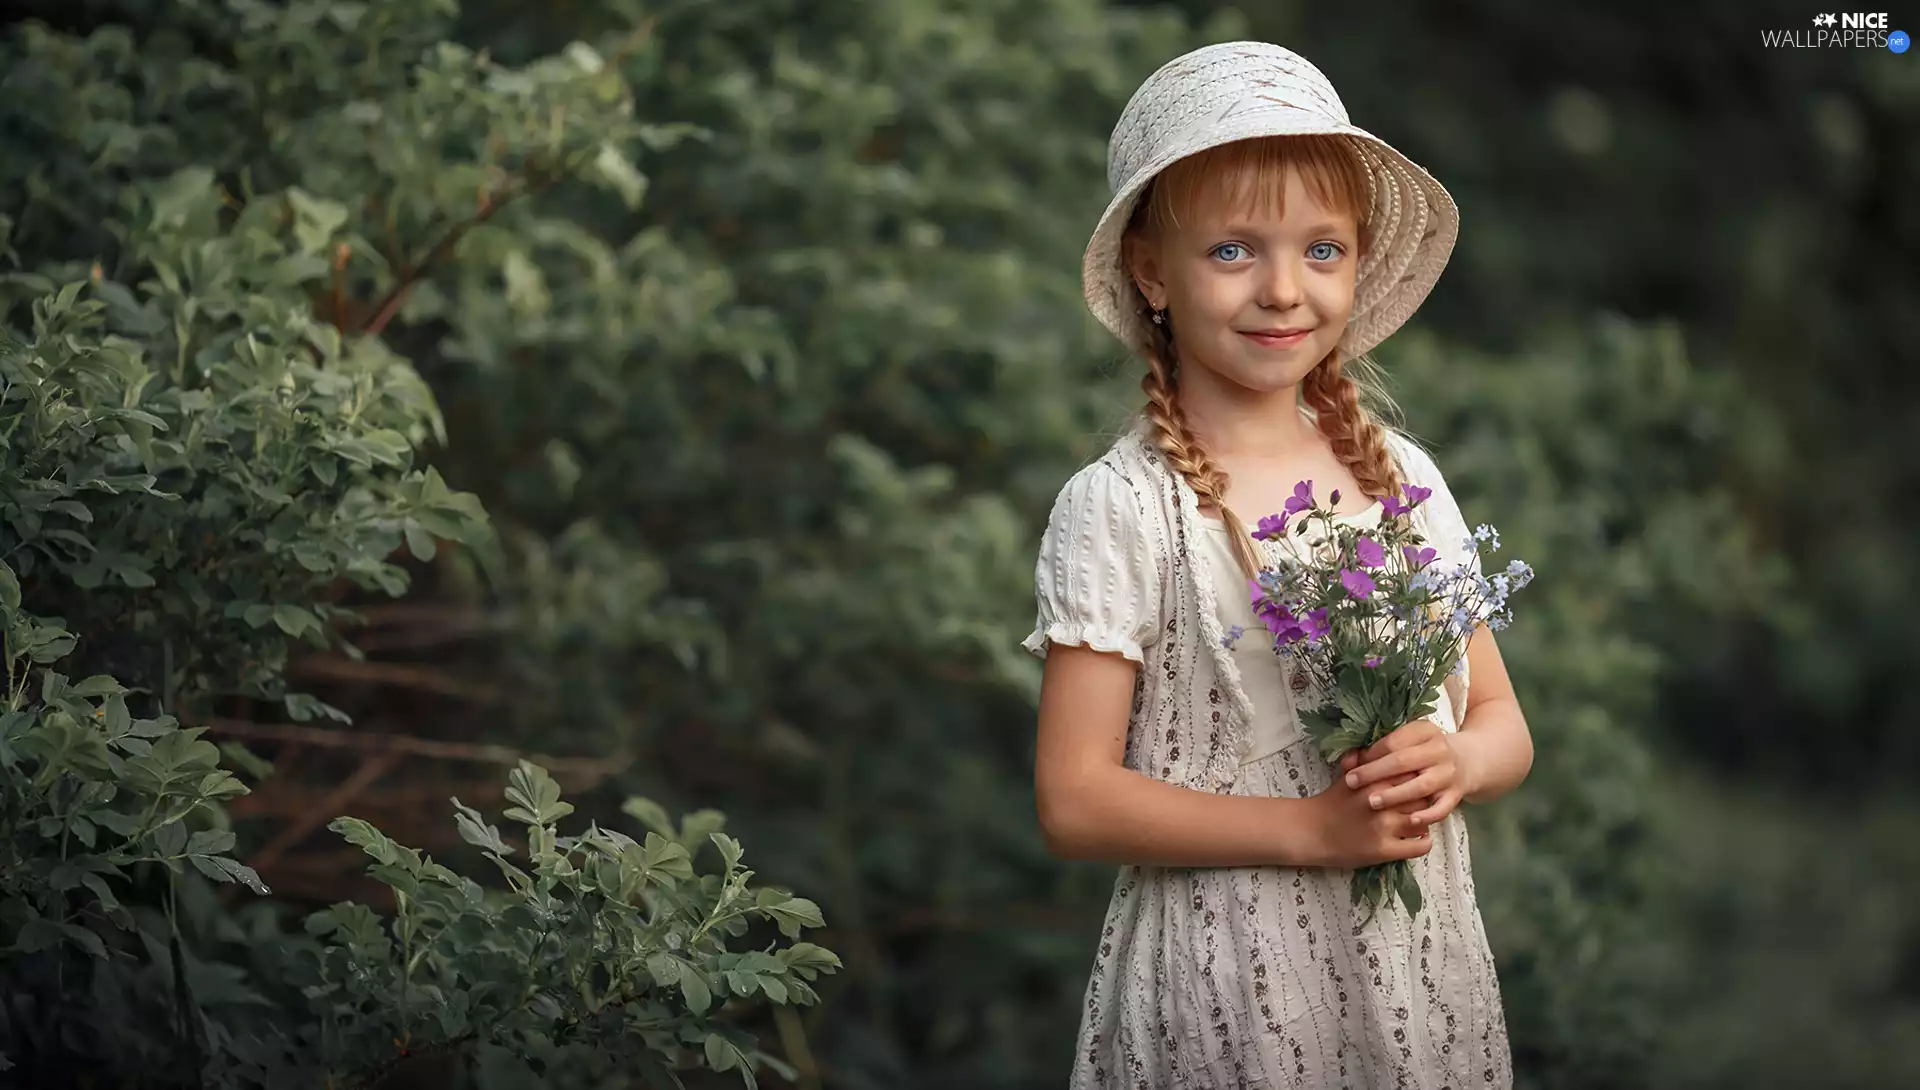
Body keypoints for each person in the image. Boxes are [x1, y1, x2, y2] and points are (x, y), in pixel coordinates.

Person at [1024, 41, 1536, 1088]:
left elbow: (1502, 725)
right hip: (1228, 983)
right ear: (1151, 271)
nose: (1283, 290)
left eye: (1322, 250)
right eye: (1232, 251)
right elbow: (1074, 799)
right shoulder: (1124, 508)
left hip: (1413, 970)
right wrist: (1310, 829)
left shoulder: (1401, 481)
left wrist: (1457, 764)